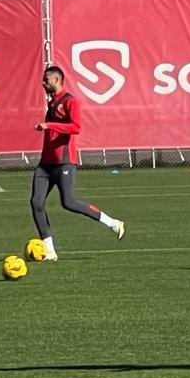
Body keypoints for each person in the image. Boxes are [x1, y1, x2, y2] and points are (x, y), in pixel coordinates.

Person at [30, 66, 125, 260]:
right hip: (45, 164)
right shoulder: (53, 102)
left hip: (64, 162)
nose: (43, 83)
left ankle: (112, 222)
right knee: (36, 202)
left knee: (69, 202)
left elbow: (76, 127)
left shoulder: (70, 101)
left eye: (46, 80)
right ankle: (49, 249)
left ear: (57, 80)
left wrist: (49, 125)